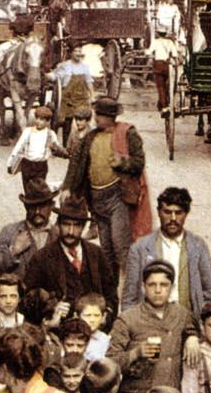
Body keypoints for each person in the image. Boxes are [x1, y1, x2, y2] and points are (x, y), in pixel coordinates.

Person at [110, 260, 197, 393]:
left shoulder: (181, 314)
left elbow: (193, 328)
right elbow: (110, 362)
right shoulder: (128, 319)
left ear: (172, 288)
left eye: (163, 285)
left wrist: (192, 337)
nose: (158, 290)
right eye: (152, 285)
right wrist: (136, 353)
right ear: (143, 287)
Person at [60, 97, 147, 276]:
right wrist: (67, 186)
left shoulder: (127, 133)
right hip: (97, 199)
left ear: (110, 117)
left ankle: (131, 289)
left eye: (99, 114)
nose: (96, 118)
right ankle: (111, 292)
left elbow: (139, 162)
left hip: (118, 197)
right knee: (106, 249)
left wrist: (123, 162)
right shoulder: (91, 136)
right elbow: (76, 161)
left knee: (120, 245)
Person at [122, 186, 211, 317]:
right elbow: (129, 298)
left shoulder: (198, 246)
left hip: (188, 322)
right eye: (167, 212)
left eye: (178, 213)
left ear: (186, 213)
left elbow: (209, 292)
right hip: (150, 323)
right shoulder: (140, 248)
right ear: (158, 212)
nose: (173, 218)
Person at [22, 198, 118, 323]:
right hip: (58, 332)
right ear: (58, 225)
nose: (71, 231)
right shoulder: (41, 258)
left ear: (83, 227)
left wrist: (105, 318)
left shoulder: (97, 254)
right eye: (66, 224)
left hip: (94, 330)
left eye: (76, 225)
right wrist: (51, 308)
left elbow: (111, 295)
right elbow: (28, 301)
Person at [0, 186, 58, 284]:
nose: (37, 211)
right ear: (25, 207)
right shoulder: (10, 232)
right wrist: (13, 251)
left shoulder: (59, 236)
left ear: (51, 206)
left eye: (42, 206)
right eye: (32, 206)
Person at [6, 106, 67, 200]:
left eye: (42, 119)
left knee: (38, 191)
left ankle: (37, 210)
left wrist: (55, 149)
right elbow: (18, 147)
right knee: (28, 192)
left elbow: (57, 150)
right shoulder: (28, 132)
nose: (38, 121)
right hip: (27, 165)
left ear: (48, 121)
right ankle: (30, 211)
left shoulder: (50, 134)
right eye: (37, 118)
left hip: (41, 166)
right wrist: (10, 163)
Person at [148, 28, 179, 118]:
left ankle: (165, 107)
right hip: (167, 65)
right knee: (168, 86)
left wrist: (147, 53)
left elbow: (149, 52)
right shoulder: (170, 42)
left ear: (158, 33)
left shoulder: (155, 42)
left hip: (158, 65)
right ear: (165, 34)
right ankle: (168, 103)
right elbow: (175, 55)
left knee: (160, 87)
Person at [0, 272, 25, 340]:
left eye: (13, 296)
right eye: (3, 296)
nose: (8, 301)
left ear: (19, 298)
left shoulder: (24, 321)